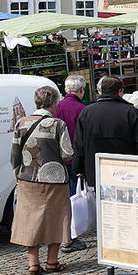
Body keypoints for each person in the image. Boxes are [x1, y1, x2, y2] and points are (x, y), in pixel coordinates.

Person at [10, 85, 74, 275]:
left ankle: (33, 264)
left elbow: (14, 156)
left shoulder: (20, 123)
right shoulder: (58, 124)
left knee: (31, 220)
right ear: (53, 104)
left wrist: (19, 175)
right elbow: (67, 153)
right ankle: (52, 262)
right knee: (56, 219)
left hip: (28, 179)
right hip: (55, 180)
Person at [72, 75, 138, 192]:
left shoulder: (86, 112)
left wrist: (78, 168)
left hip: (95, 171)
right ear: (120, 92)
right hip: (125, 172)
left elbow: (79, 143)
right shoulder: (130, 112)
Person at [54, 74, 88, 253]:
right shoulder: (82, 109)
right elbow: (84, 140)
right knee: (77, 197)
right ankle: (71, 236)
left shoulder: (56, 107)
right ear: (82, 90)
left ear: (66, 90)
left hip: (58, 159)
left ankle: (67, 234)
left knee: (66, 198)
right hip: (75, 159)